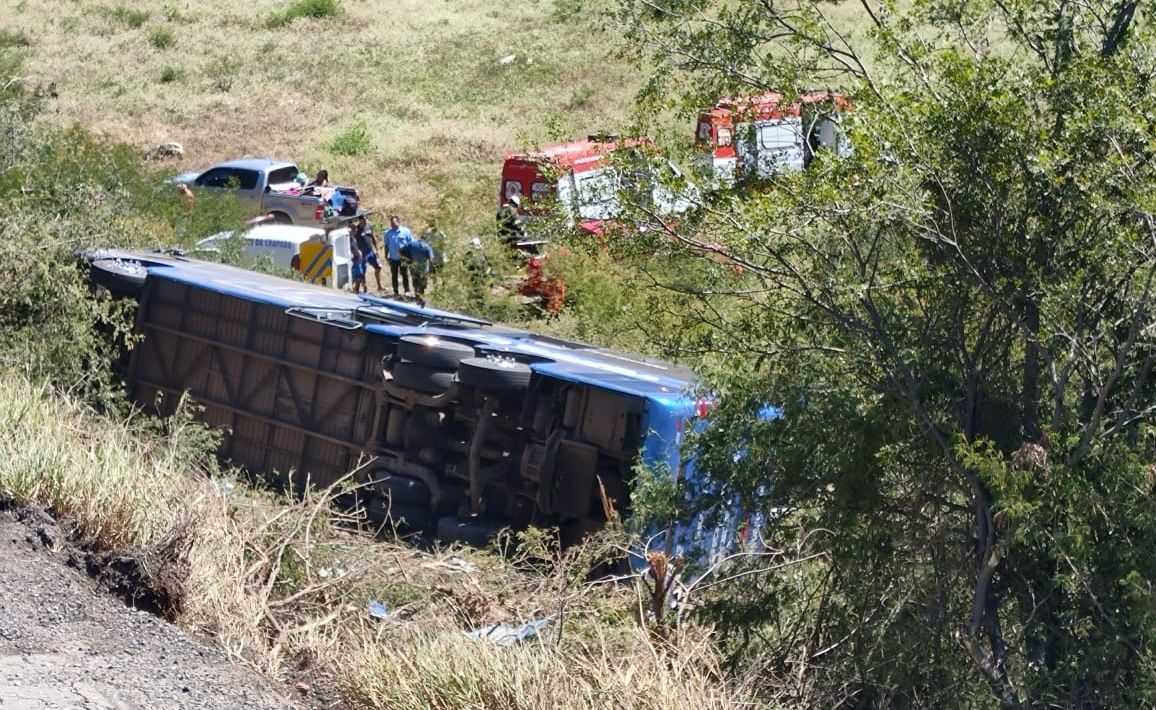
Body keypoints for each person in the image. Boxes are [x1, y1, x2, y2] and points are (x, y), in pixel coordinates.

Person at [349, 216, 383, 291]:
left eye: (365, 219)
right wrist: (357, 251)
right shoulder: (357, 229)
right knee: (362, 270)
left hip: (371, 251)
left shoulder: (369, 226)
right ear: (360, 221)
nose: (364, 221)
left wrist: (377, 249)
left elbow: (373, 237)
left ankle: (379, 286)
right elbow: (353, 240)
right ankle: (362, 286)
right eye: (362, 220)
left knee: (378, 267)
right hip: (362, 254)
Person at [383, 213, 413, 296]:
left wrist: (410, 255)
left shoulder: (406, 231)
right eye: (391, 223)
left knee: (405, 274)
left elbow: (411, 243)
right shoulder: (387, 233)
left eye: (394, 223)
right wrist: (386, 255)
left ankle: (407, 290)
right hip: (393, 258)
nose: (392, 225)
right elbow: (386, 245)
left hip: (404, 258)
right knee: (394, 274)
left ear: (398, 222)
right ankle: (395, 291)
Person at [403, 233, 437, 306]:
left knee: (415, 283)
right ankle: (420, 299)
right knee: (422, 285)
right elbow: (431, 260)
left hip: (413, 267)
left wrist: (405, 260)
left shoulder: (412, 243)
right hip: (423, 270)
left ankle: (417, 297)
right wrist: (431, 270)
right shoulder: (427, 247)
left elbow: (401, 250)